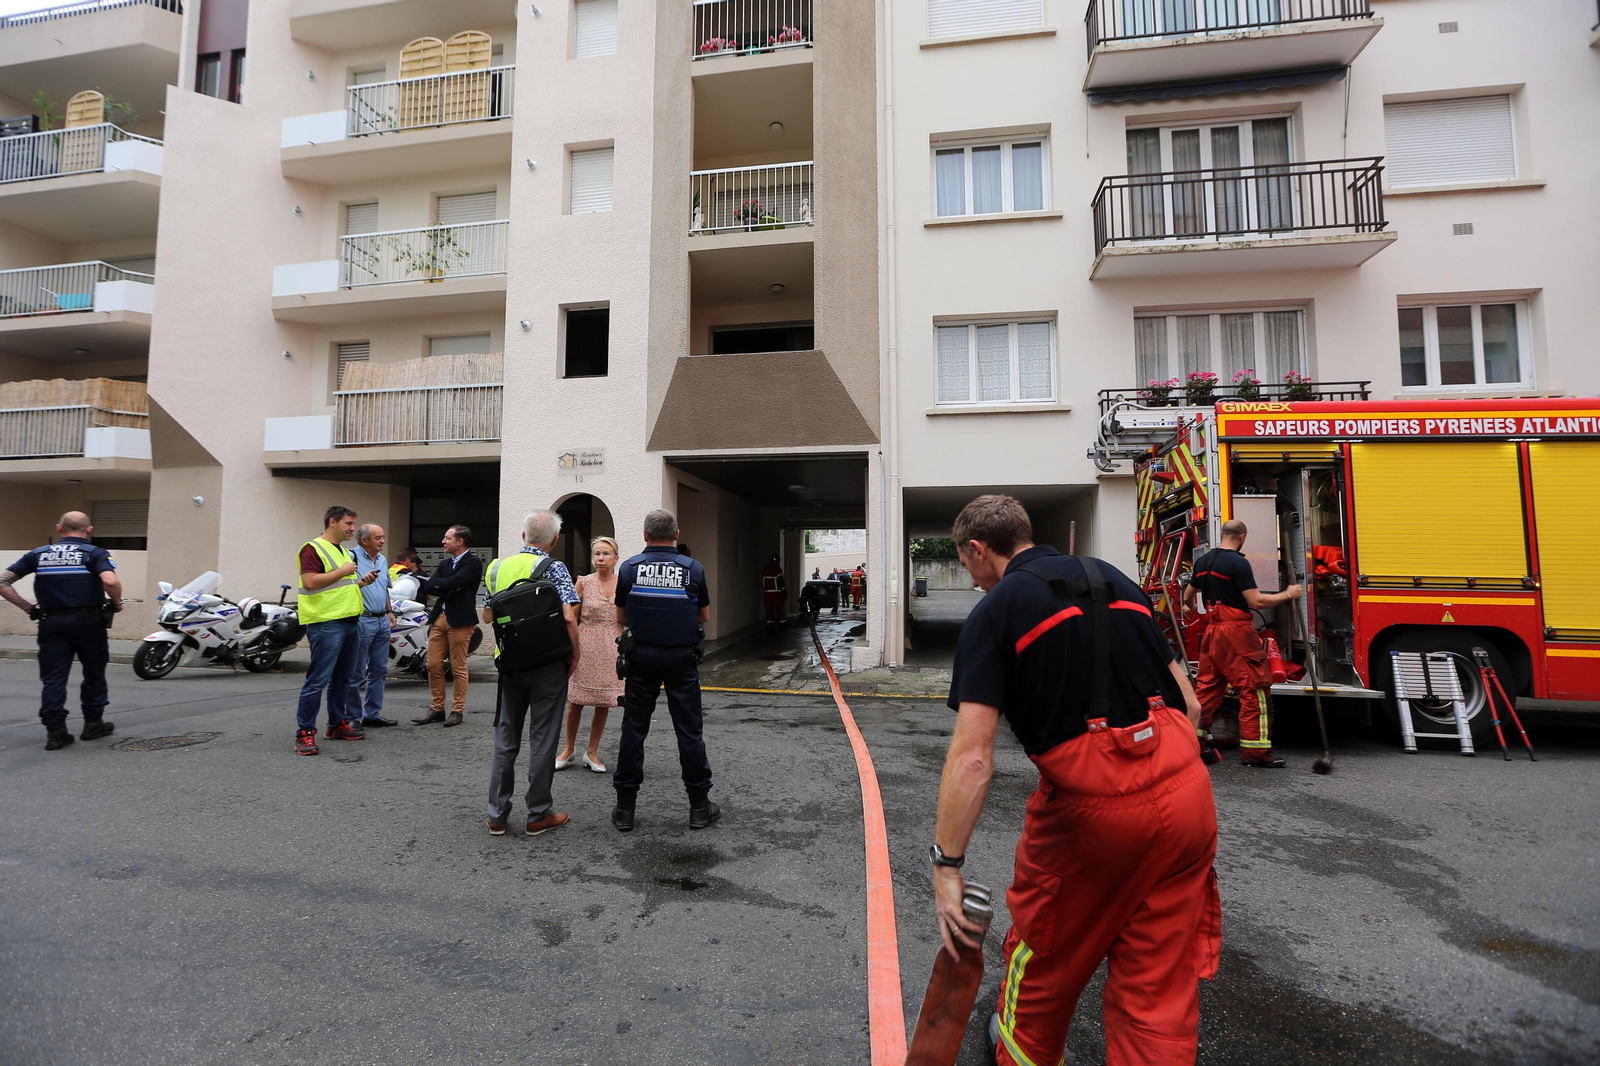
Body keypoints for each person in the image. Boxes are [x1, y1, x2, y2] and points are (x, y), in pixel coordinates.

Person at [932, 495, 1218, 1066]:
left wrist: (947, 867)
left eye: (967, 566)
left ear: (978, 550)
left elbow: (972, 759)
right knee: (1158, 992)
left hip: (1094, 814)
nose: (972, 579)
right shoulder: (1114, 579)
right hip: (1188, 799)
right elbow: (1190, 707)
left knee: (1041, 971)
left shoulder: (998, 610)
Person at [611, 508, 717, 832]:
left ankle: (625, 809)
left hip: (640, 657)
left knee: (633, 731)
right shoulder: (692, 569)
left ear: (645, 535)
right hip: (681, 659)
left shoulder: (629, 568)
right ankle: (699, 806)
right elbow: (704, 617)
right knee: (689, 732)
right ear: (677, 534)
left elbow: (621, 616)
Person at [483, 510, 580, 836]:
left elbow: (486, 616)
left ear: (523, 536)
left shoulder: (496, 568)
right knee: (543, 739)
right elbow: (568, 617)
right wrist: (575, 655)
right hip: (548, 665)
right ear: (554, 541)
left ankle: (497, 816)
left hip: (510, 664)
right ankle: (538, 815)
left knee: (505, 740)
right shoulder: (554, 568)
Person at [1182, 518, 1303, 768]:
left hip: (1212, 633)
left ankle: (1191, 746)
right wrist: (1288, 594)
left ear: (1223, 534)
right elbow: (1256, 601)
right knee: (1254, 690)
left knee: (1205, 691)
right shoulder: (1238, 563)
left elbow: (1188, 597)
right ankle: (1255, 754)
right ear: (1243, 537)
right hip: (1236, 633)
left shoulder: (1203, 562)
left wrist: (1190, 607)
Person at [0, 511, 123, 750]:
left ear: (59, 529)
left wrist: (29, 608)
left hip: (51, 622)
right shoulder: (95, 554)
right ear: (89, 530)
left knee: (53, 678)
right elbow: (110, 581)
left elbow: (3, 582)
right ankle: (93, 724)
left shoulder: (38, 554)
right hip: (89, 622)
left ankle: (56, 732)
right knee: (94, 673)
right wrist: (117, 603)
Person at [295, 505, 379, 755]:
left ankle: (335, 724)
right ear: (333, 522)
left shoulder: (343, 551)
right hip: (325, 623)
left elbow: (341, 586)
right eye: (349, 524)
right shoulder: (312, 548)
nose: (353, 529)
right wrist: (343, 571)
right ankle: (305, 733)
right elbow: (310, 582)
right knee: (317, 680)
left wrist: (361, 582)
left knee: (343, 678)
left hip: (349, 621)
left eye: (353, 524)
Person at [557, 536, 625, 773]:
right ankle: (568, 749)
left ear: (616, 557)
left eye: (606, 554)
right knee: (575, 700)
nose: (600, 558)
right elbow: (571, 618)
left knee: (603, 701)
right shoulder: (584, 582)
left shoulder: (623, 583)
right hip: (585, 644)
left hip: (612, 646)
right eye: (597, 553)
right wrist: (569, 647)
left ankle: (592, 751)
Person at [414, 524, 483, 727]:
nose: (443, 541)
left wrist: (445, 585)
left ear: (459, 541)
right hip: (440, 618)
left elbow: (450, 583)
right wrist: (448, 587)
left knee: (458, 666)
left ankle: (457, 710)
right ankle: (437, 709)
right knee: (433, 665)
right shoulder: (445, 564)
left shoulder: (473, 562)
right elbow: (429, 586)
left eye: (447, 538)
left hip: (461, 620)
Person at [349, 523, 397, 728]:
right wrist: (360, 582)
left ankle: (372, 714)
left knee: (379, 669)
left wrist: (389, 611)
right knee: (357, 672)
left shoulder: (383, 559)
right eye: (378, 537)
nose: (383, 541)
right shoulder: (350, 557)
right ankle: (351, 718)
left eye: (383, 537)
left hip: (381, 620)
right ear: (364, 540)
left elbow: (385, 587)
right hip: (362, 619)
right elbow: (342, 587)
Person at [760, 553, 787, 627]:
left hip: (767, 593)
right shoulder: (778, 570)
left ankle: (769, 624)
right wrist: (784, 592)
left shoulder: (764, 570)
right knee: (779, 609)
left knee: (769, 609)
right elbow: (781, 582)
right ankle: (782, 624)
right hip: (777, 593)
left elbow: (762, 581)